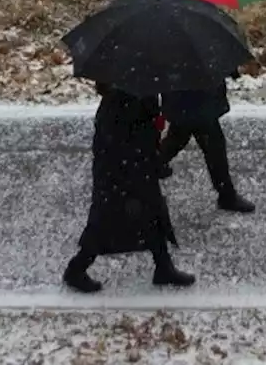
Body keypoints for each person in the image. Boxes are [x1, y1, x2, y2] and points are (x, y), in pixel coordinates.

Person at [63, 81, 196, 293]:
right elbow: (129, 134)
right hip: (121, 167)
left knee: (152, 212)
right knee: (108, 217)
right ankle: (77, 268)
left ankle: (163, 266)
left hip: (131, 163)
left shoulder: (130, 88)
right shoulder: (123, 98)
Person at [158, 75, 255, 214]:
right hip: (195, 96)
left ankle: (149, 169)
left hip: (188, 95)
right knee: (213, 145)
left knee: (180, 138)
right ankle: (226, 195)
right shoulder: (193, 58)